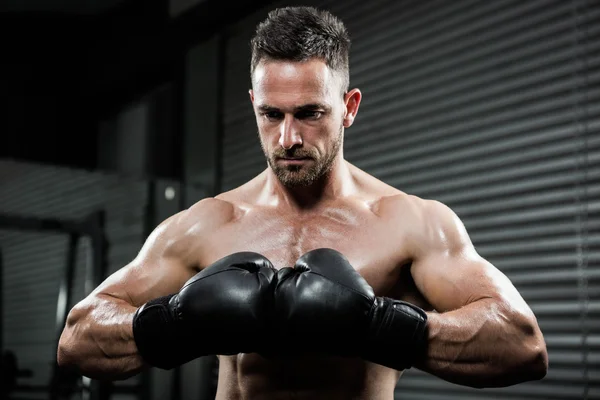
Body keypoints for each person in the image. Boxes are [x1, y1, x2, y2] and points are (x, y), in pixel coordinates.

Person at [57, 6, 548, 399]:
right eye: (271, 115)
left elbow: (522, 345)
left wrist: (377, 325)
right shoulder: (207, 223)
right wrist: (174, 325)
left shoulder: (410, 222)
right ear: (254, 104)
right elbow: (76, 340)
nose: (288, 137)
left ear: (349, 108)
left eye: (310, 113)